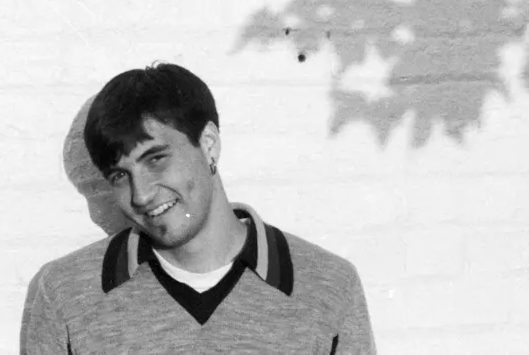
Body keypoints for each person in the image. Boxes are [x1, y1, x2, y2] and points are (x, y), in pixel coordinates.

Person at [21, 63, 376, 354]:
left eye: (156, 159)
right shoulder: (67, 293)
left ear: (208, 144)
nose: (141, 195)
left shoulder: (326, 286)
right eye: (119, 176)